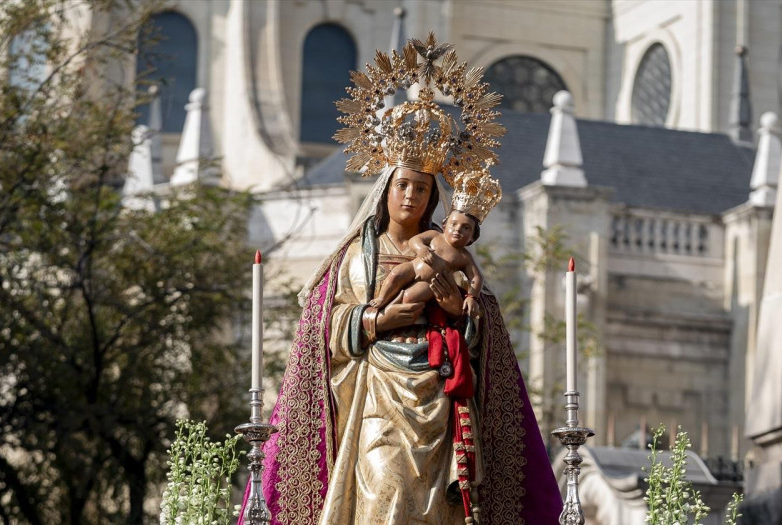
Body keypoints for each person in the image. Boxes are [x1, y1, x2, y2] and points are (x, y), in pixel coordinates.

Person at [239, 35, 561, 525]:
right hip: (376, 397)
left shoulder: (448, 254)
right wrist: (377, 319)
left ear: (434, 198)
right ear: (386, 188)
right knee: (381, 494)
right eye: (403, 185)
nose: (411, 196)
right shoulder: (355, 257)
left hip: (439, 399)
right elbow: (322, 326)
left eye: (423, 189)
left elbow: (482, 324)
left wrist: (462, 314)